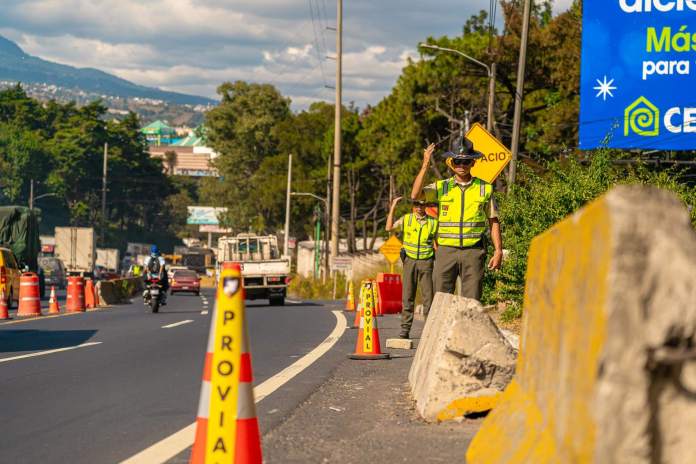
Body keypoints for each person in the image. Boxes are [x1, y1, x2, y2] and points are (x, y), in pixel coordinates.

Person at [411, 138, 503, 300]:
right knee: (440, 302)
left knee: (472, 303)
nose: (462, 165)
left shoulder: (484, 188)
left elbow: (493, 220)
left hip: (473, 252)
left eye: (466, 161)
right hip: (446, 252)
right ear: (452, 163)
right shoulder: (442, 187)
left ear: (473, 163)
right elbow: (415, 195)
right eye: (458, 161)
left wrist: (498, 251)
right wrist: (425, 164)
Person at [386, 194, 438, 339]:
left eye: (422, 205)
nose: (419, 208)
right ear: (413, 206)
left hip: (426, 262)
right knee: (407, 297)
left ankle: (429, 331)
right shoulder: (406, 219)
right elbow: (388, 227)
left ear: (426, 206)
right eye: (416, 205)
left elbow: (438, 243)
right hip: (410, 261)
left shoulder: (434, 223)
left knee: (428, 298)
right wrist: (393, 207)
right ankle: (405, 329)